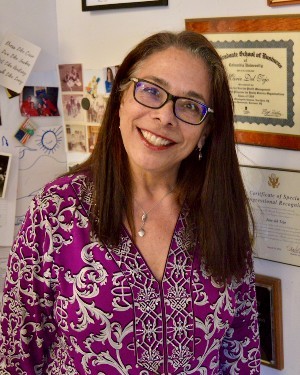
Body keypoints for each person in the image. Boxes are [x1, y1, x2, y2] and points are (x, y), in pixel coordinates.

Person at [0, 31, 260, 374]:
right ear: (121, 98)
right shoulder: (56, 213)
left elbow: (240, 354)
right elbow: (17, 357)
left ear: (207, 130)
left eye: (189, 105)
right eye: (152, 90)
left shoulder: (221, 215)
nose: (166, 116)